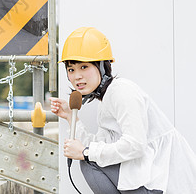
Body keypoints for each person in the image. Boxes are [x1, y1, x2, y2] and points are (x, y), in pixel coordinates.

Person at [49, 27, 196, 194]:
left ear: (102, 66)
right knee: (89, 158)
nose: (76, 76)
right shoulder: (107, 98)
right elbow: (101, 146)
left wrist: (86, 153)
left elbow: (135, 145)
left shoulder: (122, 91)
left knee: (89, 160)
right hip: (151, 181)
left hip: (164, 183)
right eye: (71, 69)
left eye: (84, 67)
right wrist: (70, 117)